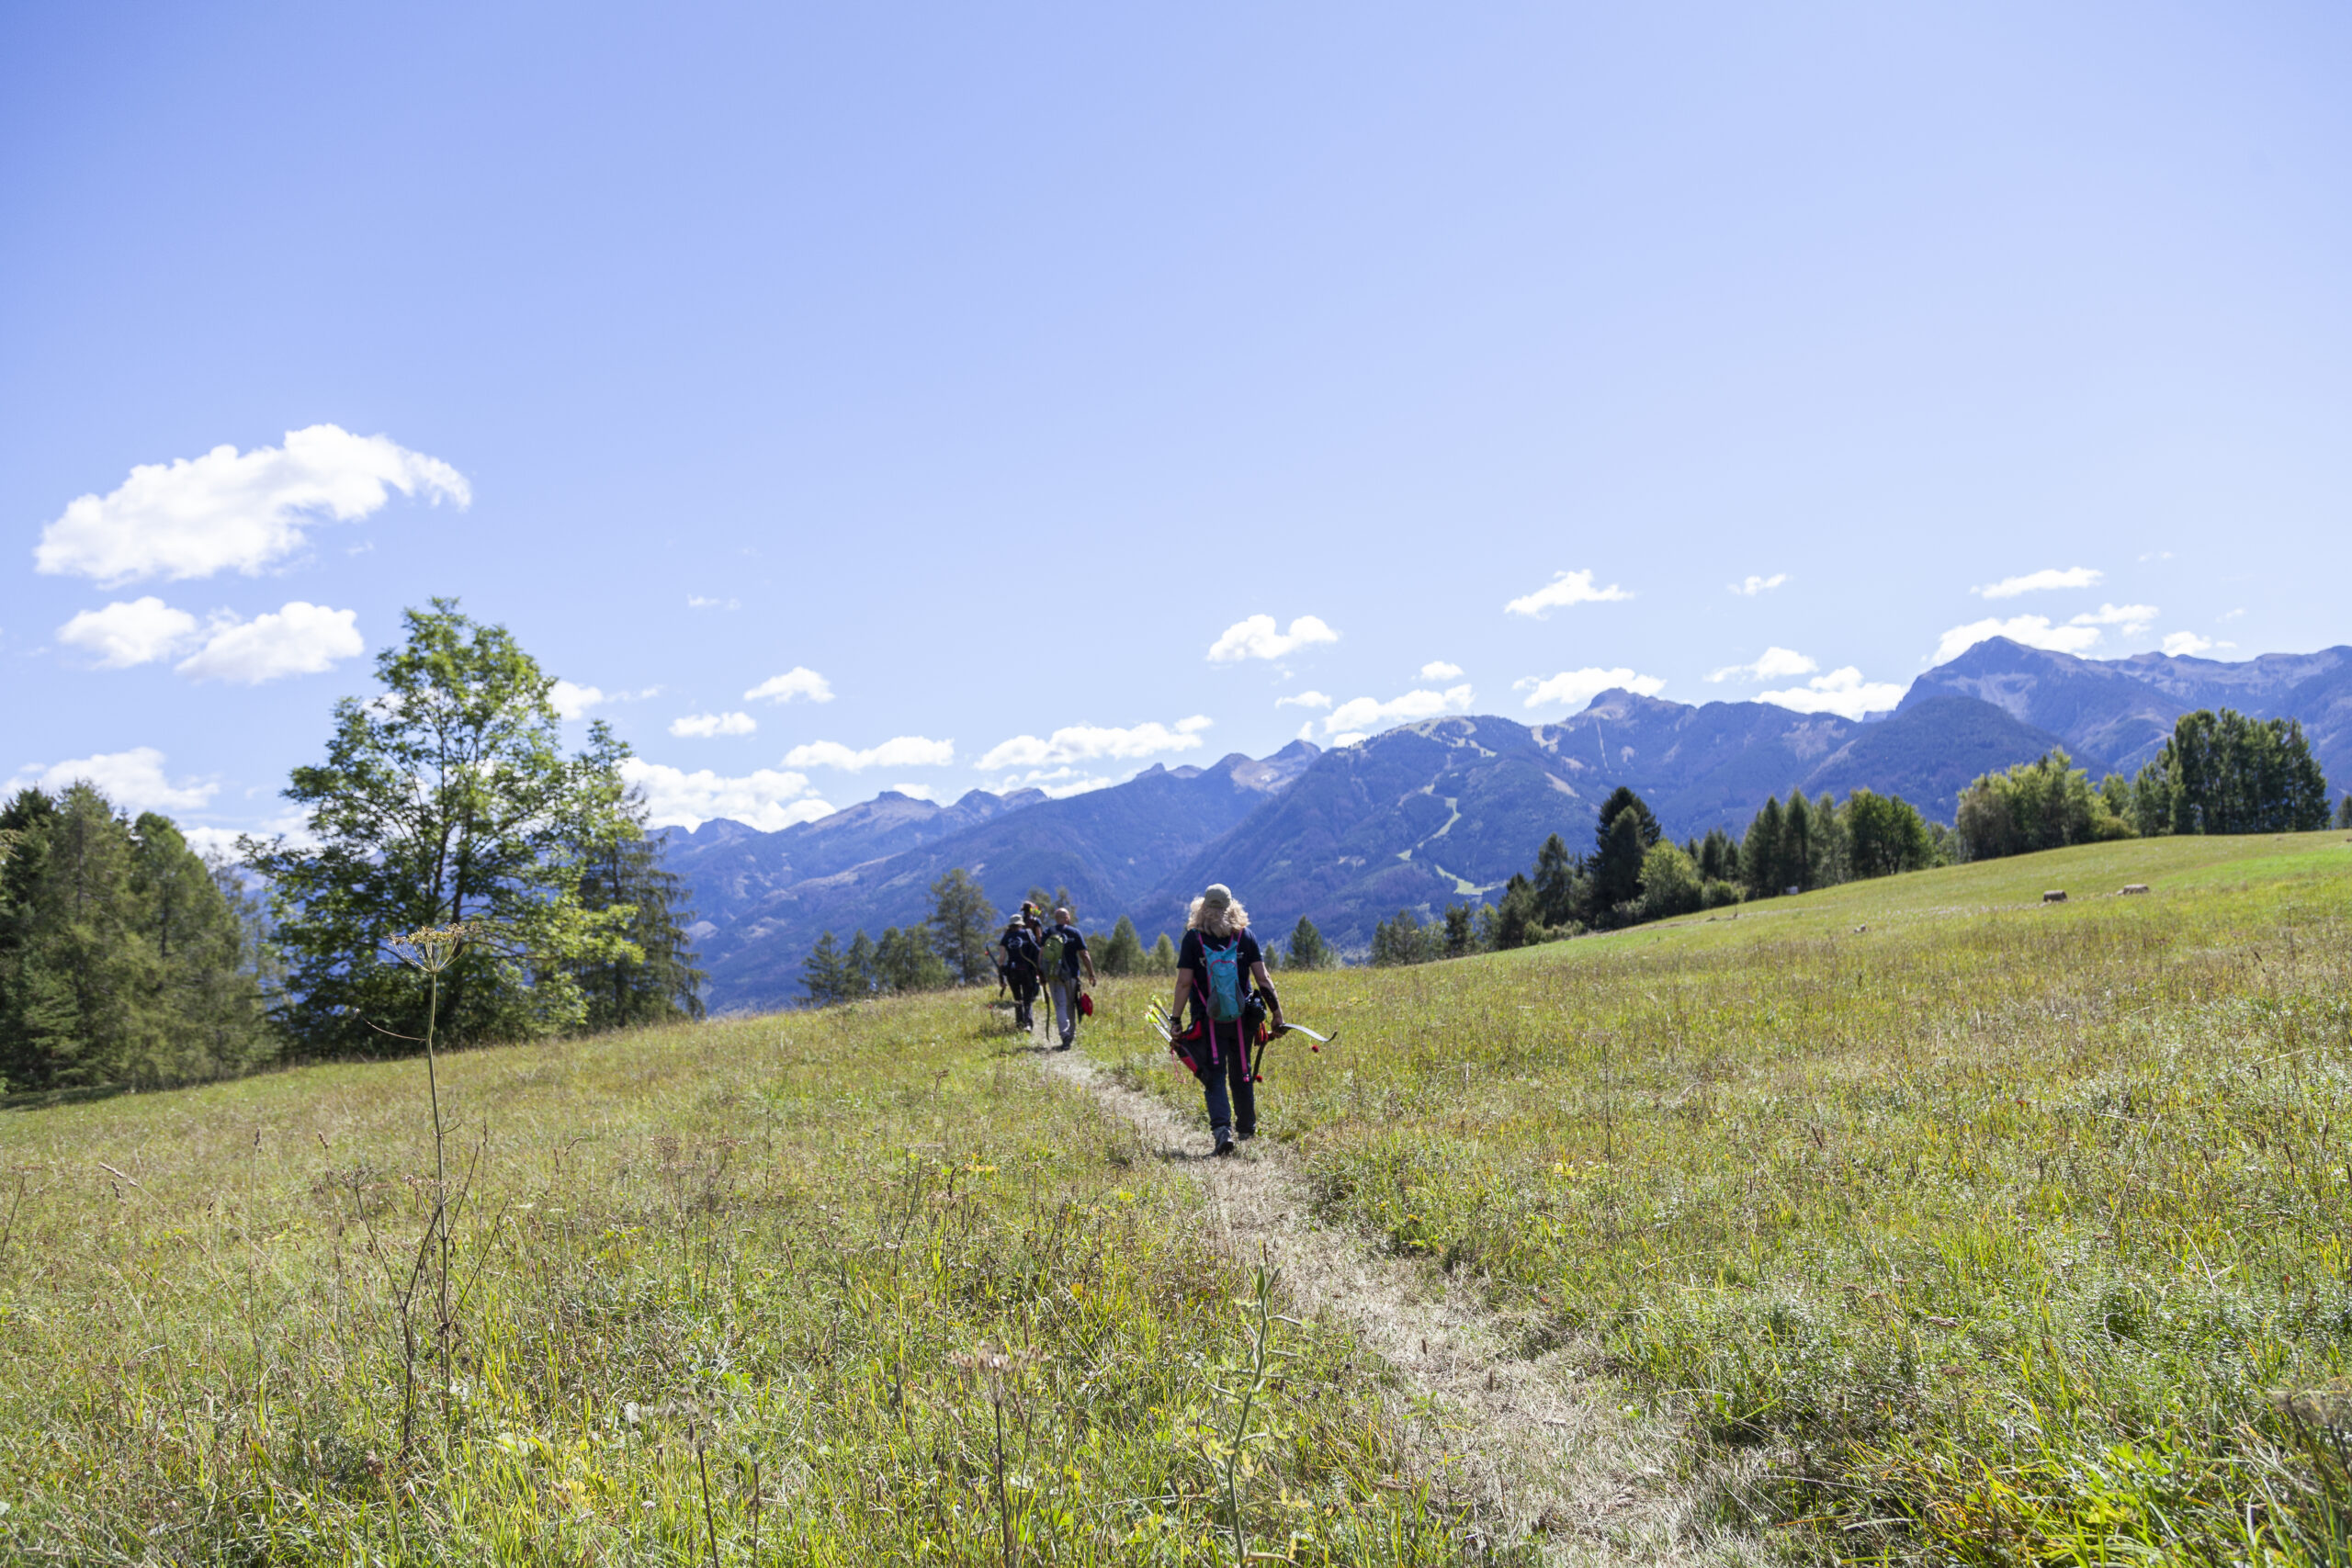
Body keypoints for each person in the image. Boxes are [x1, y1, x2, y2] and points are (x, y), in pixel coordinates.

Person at [1168, 883, 1282, 1156]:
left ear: (1203, 908)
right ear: (1232, 907)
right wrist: (1277, 1013)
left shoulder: (1193, 939)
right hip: (1243, 1019)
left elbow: (1184, 983)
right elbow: (1263, 979)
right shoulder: (1245, 937)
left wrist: (1175, 1019)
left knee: (1214, 1073)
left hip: (1208, 1019)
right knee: (1242, 1070)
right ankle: (1246, 1128)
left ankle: (1222, 1132)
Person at [1042, 905, 1095, 1051]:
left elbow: (1041, 955)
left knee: (1060, 1005)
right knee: (1071, 1004)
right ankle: (1070, 1034)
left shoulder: (1048, 932)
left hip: (1053, 975)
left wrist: (1041, 974)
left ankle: (1064, 1034)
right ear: (1066, 918)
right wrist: (1091, 973)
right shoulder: (1074, 932)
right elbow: (1084, 955)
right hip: (1071, 975)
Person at [996, 905, 1042, 1032]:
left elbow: (1001, 959)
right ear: (1021, 924)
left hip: (1012, 971)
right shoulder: (1027, 933)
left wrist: (1001, 976)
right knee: (1027, 998)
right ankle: (1028, 1024)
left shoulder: (1005, 938)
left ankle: (1019, 1023)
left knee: (1017, 998)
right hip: (1027, 970)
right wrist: (1039, 967)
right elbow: (1036, 949)